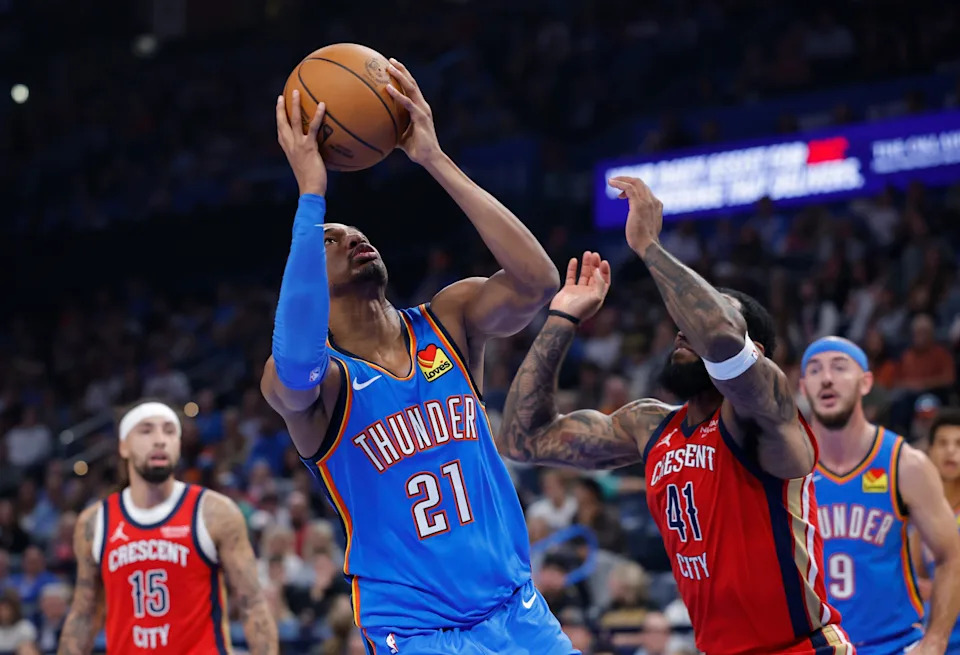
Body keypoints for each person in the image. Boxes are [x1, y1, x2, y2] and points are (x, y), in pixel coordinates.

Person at [262, 58, 572, 654]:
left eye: (356, 233)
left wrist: (432, 156)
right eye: (331, 238)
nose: (353, 238)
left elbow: (537, 281)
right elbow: (296, 362)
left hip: (519, 610)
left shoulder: (448, 320)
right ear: (305, 276)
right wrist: (311, 197)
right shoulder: (316, 382)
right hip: (418, 629)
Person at [498, 176, 850, 654]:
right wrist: (562, 318)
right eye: (680, 325)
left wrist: (648, 246)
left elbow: (722, 338)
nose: (683, 331)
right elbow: (524, 439)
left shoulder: (764, 411)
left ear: (758, 351)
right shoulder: (649, 424)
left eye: (698, 320)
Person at [57, 400, 277, 654]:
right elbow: (84, 615)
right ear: (123, 446)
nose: (160, 440)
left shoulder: (214, 513)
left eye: (170, 431)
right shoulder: (96, 522)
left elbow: (253, 605)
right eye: (147, 430)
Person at [801, 337, 960, 654]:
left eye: (839, 367)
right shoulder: (787, 466)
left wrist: (936, 639)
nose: (827, 377)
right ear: (803, 386)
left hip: (892, 645)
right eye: (815, 370)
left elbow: (951, 555)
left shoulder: (904, 462)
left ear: (866, 382)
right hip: (815, 647)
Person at [911, 408, 960, 653]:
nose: (951, 450)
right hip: (928, 635)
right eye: (942, 443)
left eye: (959, 443)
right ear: (929, 450)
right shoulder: (915, 512)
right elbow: (916, 575)